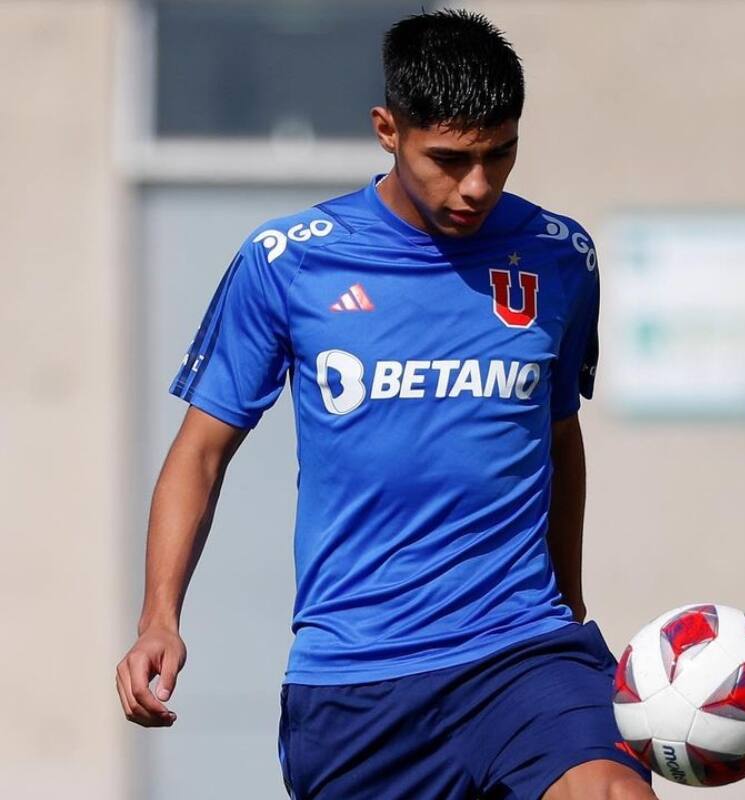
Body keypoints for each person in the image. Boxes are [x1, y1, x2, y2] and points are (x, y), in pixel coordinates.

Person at [114, 10, 657, 800]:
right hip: (357, 680)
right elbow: (199, 451)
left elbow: (557, 439)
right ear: (386, 130)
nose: (477, 185)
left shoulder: (559, 257)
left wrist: (569, 606)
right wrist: (158, 619)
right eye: (449, 159)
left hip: (522, 650)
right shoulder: (289, 262)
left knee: (609, 790)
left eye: (500, 154)